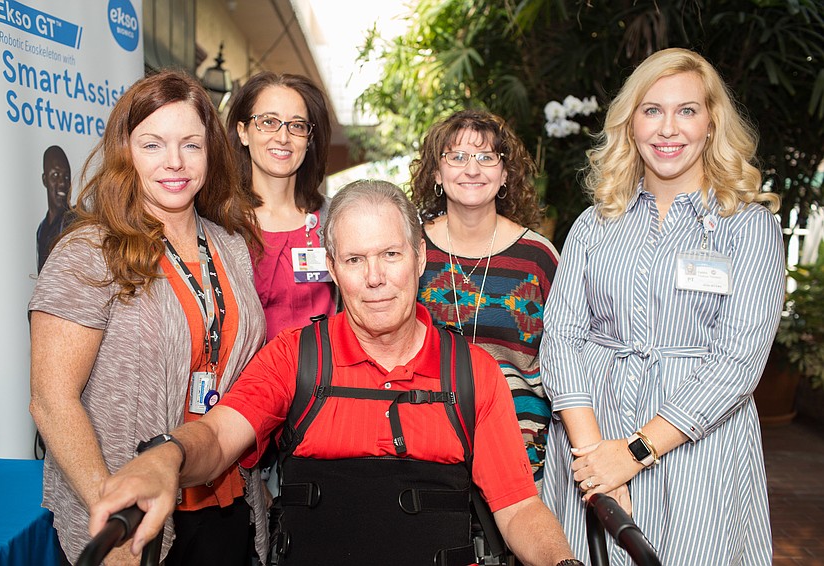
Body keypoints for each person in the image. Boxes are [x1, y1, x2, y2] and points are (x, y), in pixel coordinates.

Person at [89, 180, 583, 566]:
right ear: (331, 267)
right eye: (354, 259)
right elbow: (218, 437)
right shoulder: (295, 358)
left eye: (390, 254)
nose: (375, 278)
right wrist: (167, 457)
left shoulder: (472, 372)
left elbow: (518, 505)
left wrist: (562, 561)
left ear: (419, 257)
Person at [539, 47, 784, 565]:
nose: (667, 128)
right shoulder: (595, 222)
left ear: (712, 124)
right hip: (592, 432)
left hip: (697, 447)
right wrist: (595, 459)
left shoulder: (749, 227)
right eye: (652, 110)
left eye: (686, 111)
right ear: (631, 124)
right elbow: (561, 338)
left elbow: (738, 362)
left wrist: (631, 456)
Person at [29, 70, 267, 565]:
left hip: (226, 497)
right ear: (125, 151)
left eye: (191, 145)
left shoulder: (232, 246)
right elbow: (52, 401)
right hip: (132, 516)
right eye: (153, 144)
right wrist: (112, 516)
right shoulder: (88, 252)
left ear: (211, 152)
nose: (174, 162)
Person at [412, 109, 558, 492]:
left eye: (486, 157)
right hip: (426, 443)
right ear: (437, 174)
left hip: (522, 444)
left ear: (505, 174)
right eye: (456, 157)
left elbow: (564, 355)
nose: (472, 169)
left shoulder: (539, 257)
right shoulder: (409, 251)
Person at [226, 71, 337, 341]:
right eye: (268, 122)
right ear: (243, 132)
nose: (283, 137)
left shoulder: (335, 218)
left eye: (297, 125)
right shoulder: (218, 223)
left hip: (322, 377)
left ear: (309, 139)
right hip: (246, 381)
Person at [36, 145, 73, 273]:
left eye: (66, 176)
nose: (62, 182)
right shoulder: (42, 229)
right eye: (55, 175)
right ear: (45, 180)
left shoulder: (76, 225)